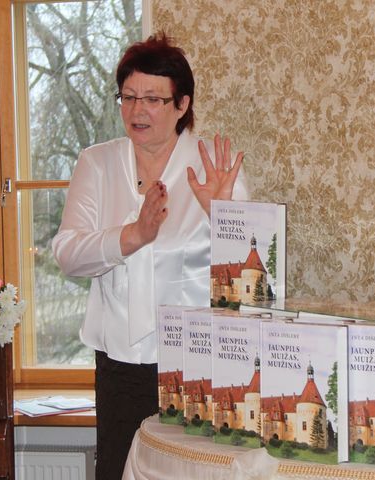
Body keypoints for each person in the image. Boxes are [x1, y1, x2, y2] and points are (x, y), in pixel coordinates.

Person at [52, 33, 247, 479]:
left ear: (182, 105)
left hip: (197, 366)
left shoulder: (212, 168)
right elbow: (68, 255)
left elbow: (250, 280)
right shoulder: (96, 164)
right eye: (129, 96)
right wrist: (134, 236)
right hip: (118, 366)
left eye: (153, 99)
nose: (137, 110)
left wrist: (224, 215)